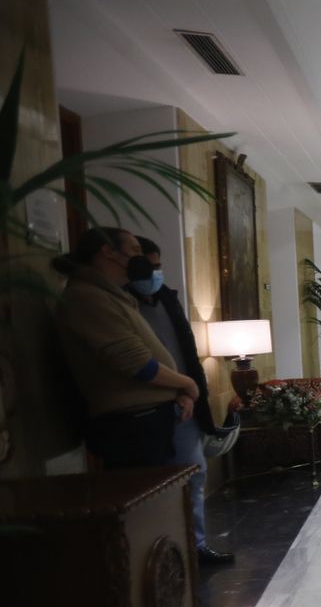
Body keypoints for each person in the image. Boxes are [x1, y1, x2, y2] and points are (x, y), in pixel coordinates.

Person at [52, 228, 234, 562]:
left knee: (184, 485)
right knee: (148, 505)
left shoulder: (119, 296)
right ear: (108, 253)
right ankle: (160, 569)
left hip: (160, 412)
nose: (141, 260)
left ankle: (186, 554)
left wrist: (180, 391)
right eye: (134, 249)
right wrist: (187, 384)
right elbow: (132, 361)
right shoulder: (87, 297)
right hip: (134, 424)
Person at [128, 237, 236, 563]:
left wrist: (189, 392)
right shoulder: (120, 305)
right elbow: (132, 360)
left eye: (158, 266)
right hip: (142, 409)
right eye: (149, 266)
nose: (155, 273)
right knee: (148, 486)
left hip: (183, 403)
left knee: (194, 473)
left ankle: (194, 546)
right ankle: (159, 556)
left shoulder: (166, 300)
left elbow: (183, 349)